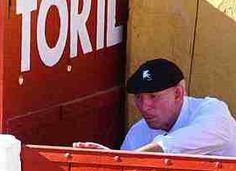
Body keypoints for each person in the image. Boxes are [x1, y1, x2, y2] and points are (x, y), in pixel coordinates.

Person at [74, 58, 236, 156]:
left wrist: (122, 160)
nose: (144, 106)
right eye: (138, 97)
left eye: (154, 96)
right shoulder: (139, 132)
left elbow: (175, 145)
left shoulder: (213, 111)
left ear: (178, 94)